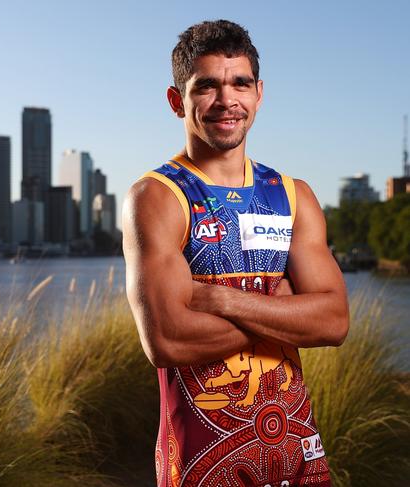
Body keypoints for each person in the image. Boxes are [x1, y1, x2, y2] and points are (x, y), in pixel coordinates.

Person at [122, 20, 349, 487]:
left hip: (297, 451)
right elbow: (167, 341)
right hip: (202, 460)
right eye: (207, 86)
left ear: (259, 93)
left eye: (240, 83)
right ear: (176, 101)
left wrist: (224, 301)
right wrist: (283, 309)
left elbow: (333, 322)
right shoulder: (158, 197)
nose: (227, 100)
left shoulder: (293, 194)